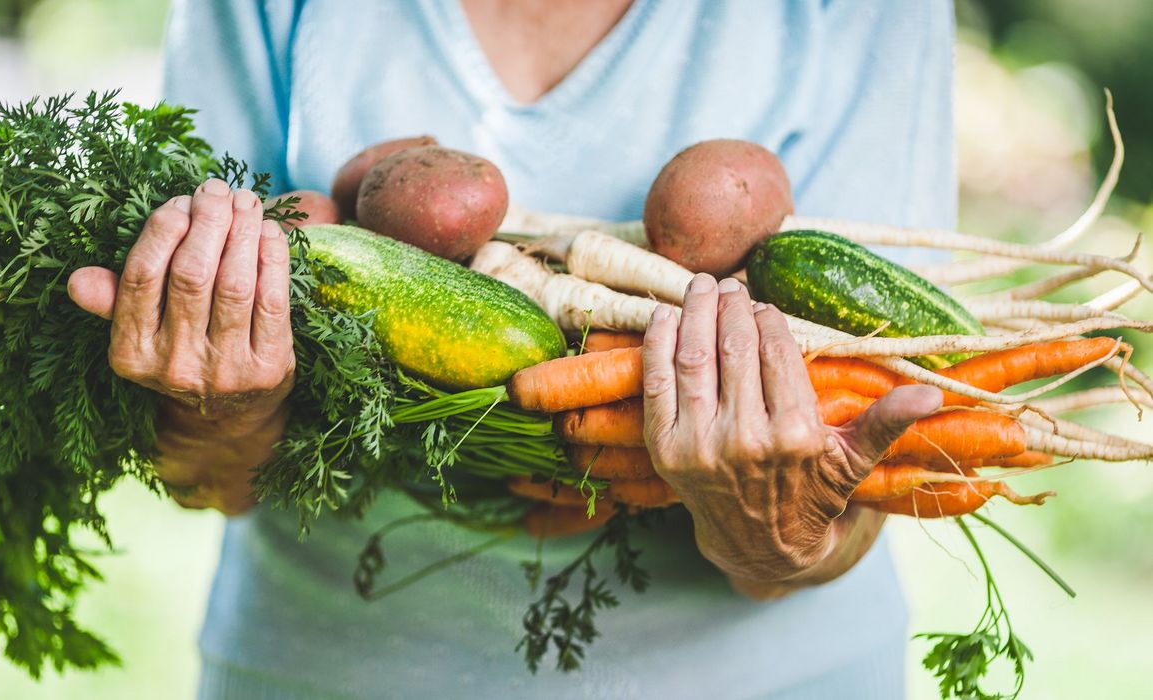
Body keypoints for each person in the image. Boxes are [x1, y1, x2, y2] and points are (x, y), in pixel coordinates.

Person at [66, 1, 956, 697]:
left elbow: (877, 441)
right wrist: (216, 417)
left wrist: (779, 540)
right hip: (329, 673)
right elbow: (206, 480)